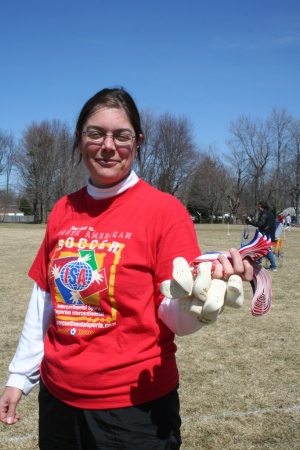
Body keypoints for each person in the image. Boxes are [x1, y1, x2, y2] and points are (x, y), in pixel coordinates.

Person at [0, 87, 253, 450]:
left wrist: (196, 309)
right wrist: (19, 377)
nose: (108, 145)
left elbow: (175, 316)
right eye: (95, 133)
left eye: (121, 135)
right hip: (58, 401)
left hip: (134, 410)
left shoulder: (165, 212)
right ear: (78, 139)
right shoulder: (62, 210)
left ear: (138, 143)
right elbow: (44, 299)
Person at [246, 201, 277, 271]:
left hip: (265, 235)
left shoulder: (264, 214)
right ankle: (258, 261)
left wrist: (250, 221)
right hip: (270, 234)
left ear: (262, 207)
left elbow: (260, 224)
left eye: (259, 206)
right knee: (261, 248)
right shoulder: (271, 214)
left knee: (268, 250)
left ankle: (274, 266)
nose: (258, 207)